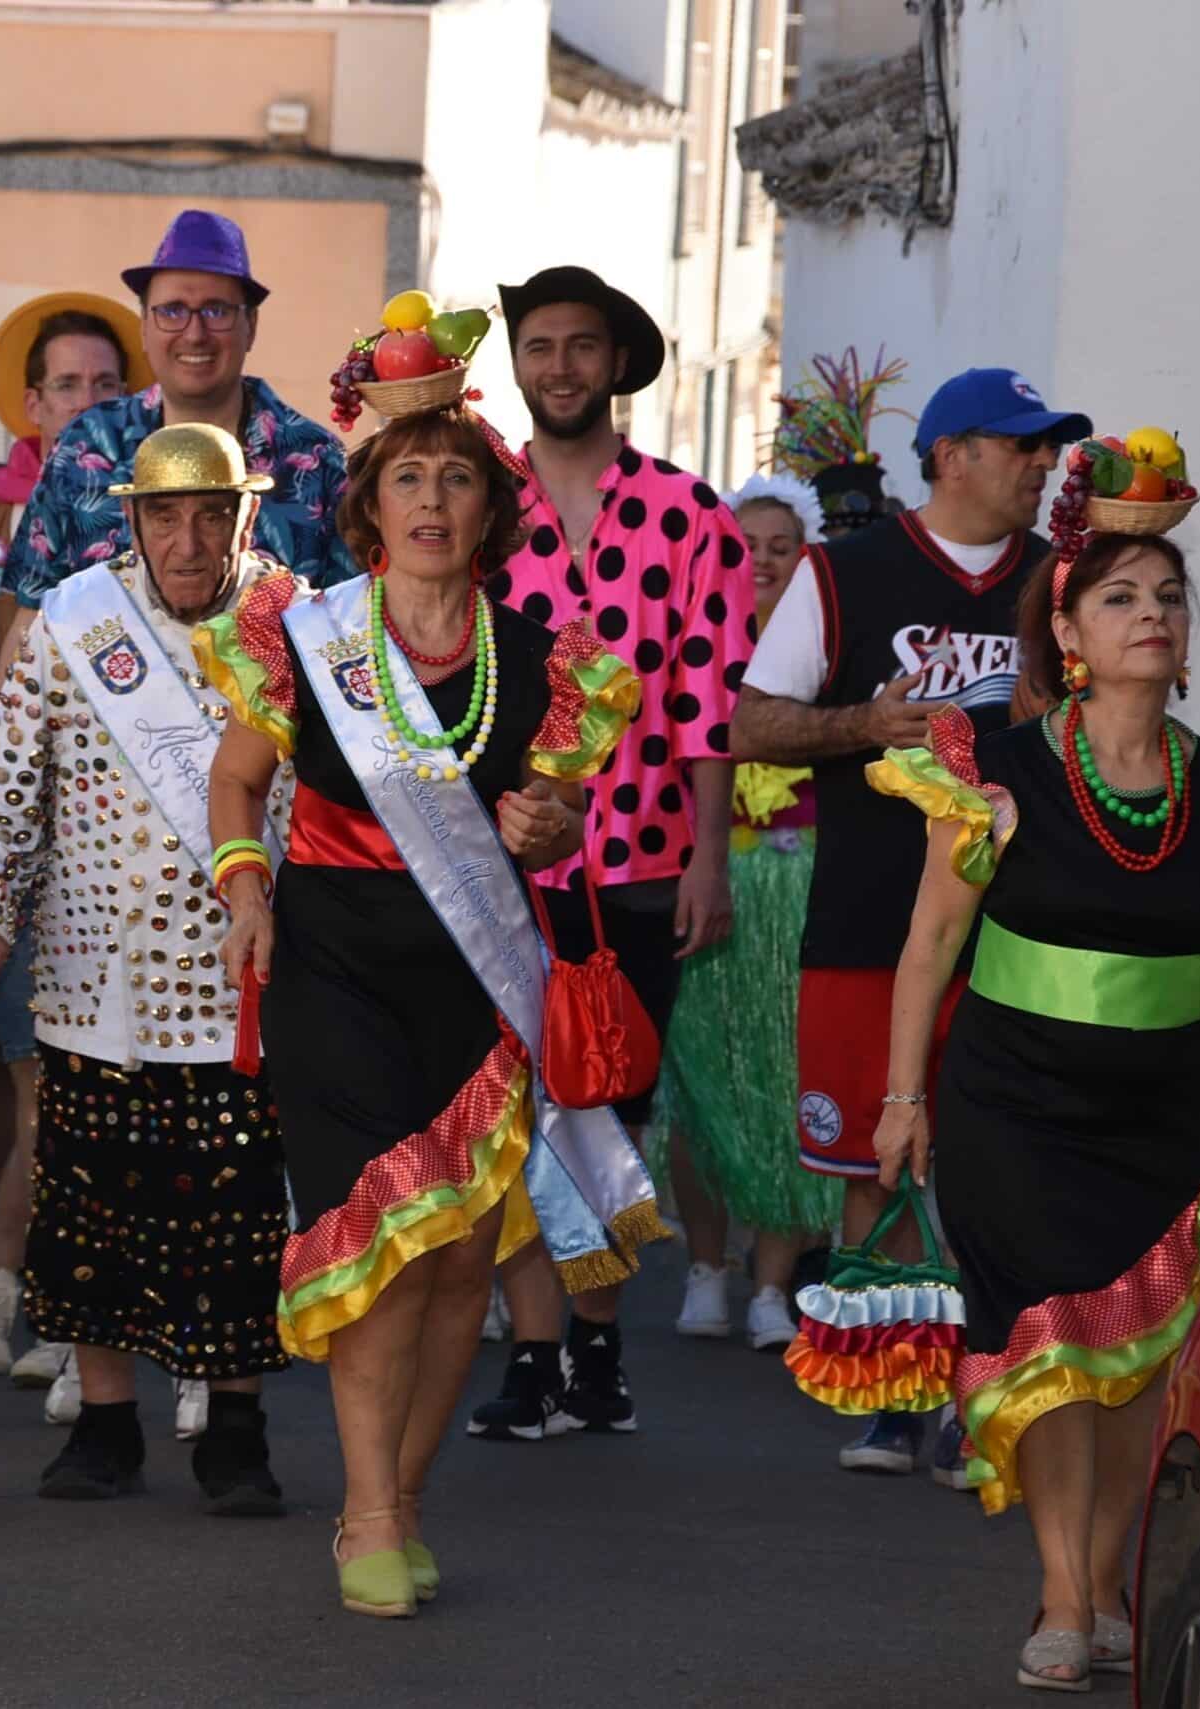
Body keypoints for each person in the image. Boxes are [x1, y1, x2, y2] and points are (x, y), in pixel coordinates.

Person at [864, 528, 1200, 1686]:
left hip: (1163, 1114)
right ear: (1067, 636)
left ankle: (1108, 1567)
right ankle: (1065, 1592)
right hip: (1008, 1104)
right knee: (1055, 1350)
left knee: (1143, 1360)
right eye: (1119, 596)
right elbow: (930, 939)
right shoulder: (998, 772)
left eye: (1169, 596)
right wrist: (898, 1096)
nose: (1152, 613)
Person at [201, 395, 643, 1616]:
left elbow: (556, 827)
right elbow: (236, 787)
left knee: (458, 1263)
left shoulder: (549, 664)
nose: (433, 501)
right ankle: (371, 1512)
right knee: (381, 1252)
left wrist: (547, 822)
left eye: (457, 479)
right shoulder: (305, 639)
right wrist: (245, 891)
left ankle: (392, 1493)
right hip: (332, 975)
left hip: (474, 982)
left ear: (491, 510)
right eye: (409, 480)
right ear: (370, 508)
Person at [731, 366, 1088, 1479]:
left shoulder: (1061, 579)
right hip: (868, 922)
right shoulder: (846, 571)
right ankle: (890, 1390)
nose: (1040, 465)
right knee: (871, 1161)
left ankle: (987, 1389)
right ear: (948, 455)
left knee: (1001, 1157)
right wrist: (862, 722)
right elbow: (751, 723)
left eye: (1046, 447)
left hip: (1020, 932)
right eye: (1020, 444)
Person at [0, 423, 294, 1513]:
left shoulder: (301, 619)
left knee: (232, 1218)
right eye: (163, 514)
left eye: (209, 513)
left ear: (246, 512)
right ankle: (104, 1425)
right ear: (130, 517)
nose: (187, 540)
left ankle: (234, 1428)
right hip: (94, 973)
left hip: (244, 976)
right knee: (90, 1211)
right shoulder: (71, 621)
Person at [469, 266, 751, 1443]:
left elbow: (711, 705)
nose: (561, 367)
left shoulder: (693, 517)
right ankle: (533, 1354)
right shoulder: (475, 509)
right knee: (510, 1115)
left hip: (639, 860)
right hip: (496, 868)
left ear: (616, 362)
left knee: (607, 1113)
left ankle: (596, 1347)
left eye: (582, 345)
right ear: (519, 363)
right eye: (540, 346)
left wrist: (709, 860)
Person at [0, 292, 145, 1383]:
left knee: (74, 1085)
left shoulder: (167, 506)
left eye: (109, 384)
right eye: (68, 385)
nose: (90, 403)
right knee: (13, 1073)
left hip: (136, 837)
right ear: (29, 399)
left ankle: (40, 1288)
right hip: (18, 816)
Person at [646, 473, 840, 1353]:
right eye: (745, 543)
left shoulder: (830, 656)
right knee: (700, 1085)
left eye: (780, 547)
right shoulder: (689, 644)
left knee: (785, 1086)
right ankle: (705, 1268)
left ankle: (773, 1284)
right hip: (705, 879)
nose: (760, 560)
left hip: (799, 890)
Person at [0, 210, 350, 650]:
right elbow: (30, 618)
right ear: (143, 327)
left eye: (216, 311)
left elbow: (345, 631)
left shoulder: (317, 460)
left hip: (268, 719)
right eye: (172, 311)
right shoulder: (84, 445)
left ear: (251, 327)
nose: (194, 333)